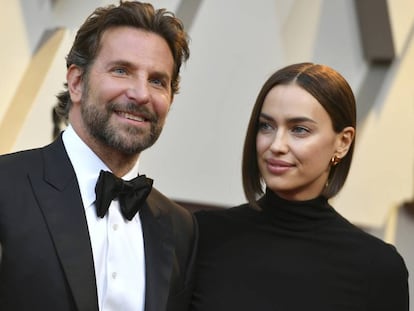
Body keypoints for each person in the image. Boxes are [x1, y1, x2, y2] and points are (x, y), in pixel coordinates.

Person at [0, 2, 197, 311]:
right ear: (77, 82)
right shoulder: (6, 186)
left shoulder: (179, 226)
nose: (141, 94)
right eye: (121, 70)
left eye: (157, 80)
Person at [191, 63, 409, 311]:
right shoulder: (203, 235)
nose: (277, 144)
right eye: (267, 126)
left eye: (299, 130)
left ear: (342, 142)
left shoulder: (377, 267)